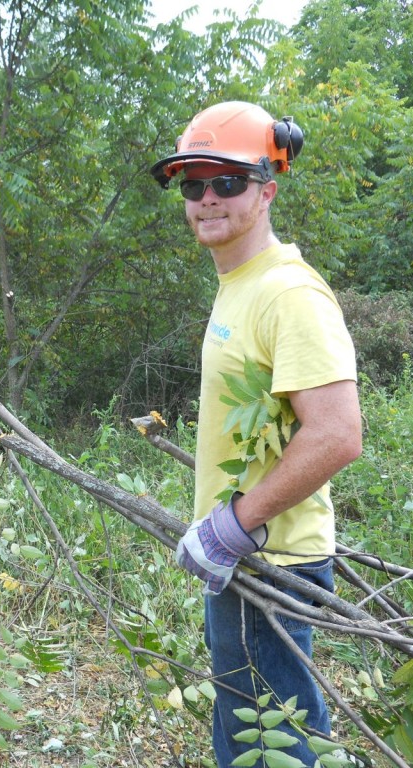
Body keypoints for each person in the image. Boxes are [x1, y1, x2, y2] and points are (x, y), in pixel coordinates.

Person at [150, 101, 362, 767]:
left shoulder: (287, 294)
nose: (208, 198)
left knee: (274, 745)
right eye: (193, 184)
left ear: (267, 190)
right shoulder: (240, 283)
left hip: (270, 562)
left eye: (228, 181)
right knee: (248, 729)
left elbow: (336, 434)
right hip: (246, 558)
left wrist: (232, 527)